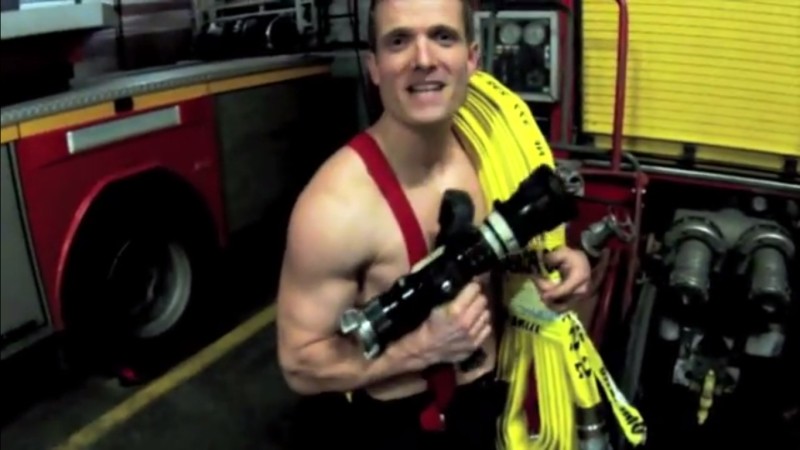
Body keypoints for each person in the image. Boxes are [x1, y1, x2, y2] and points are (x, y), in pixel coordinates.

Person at [276, 0, 591, 448]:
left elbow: (508, 258)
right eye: (399, 41)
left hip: (495, 406)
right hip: (403, 428)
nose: (423, 59)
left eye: (443, 36)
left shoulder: (489, 150)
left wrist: (558, 263)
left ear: (472, 58)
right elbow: (300, 364)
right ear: (374, 67)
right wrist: (420, 348)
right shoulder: (335, 208)